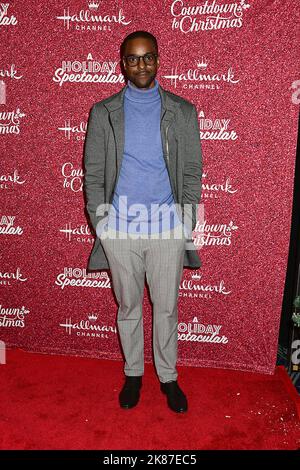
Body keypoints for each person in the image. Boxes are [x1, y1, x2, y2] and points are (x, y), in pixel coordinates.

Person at [83, 30, 203, 413]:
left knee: (166, 309)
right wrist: (102, 225)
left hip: (168, 230)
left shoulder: (182, 111)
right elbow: (93, 173)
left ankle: (168, 377)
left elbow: (193, 170)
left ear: (158, 59)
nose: (141, 65)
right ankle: (133, 373)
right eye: (133, 59)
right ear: (122, 63)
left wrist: (186, 221)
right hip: (119, 230)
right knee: (129, 307)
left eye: (148, 57)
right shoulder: (103, 113)